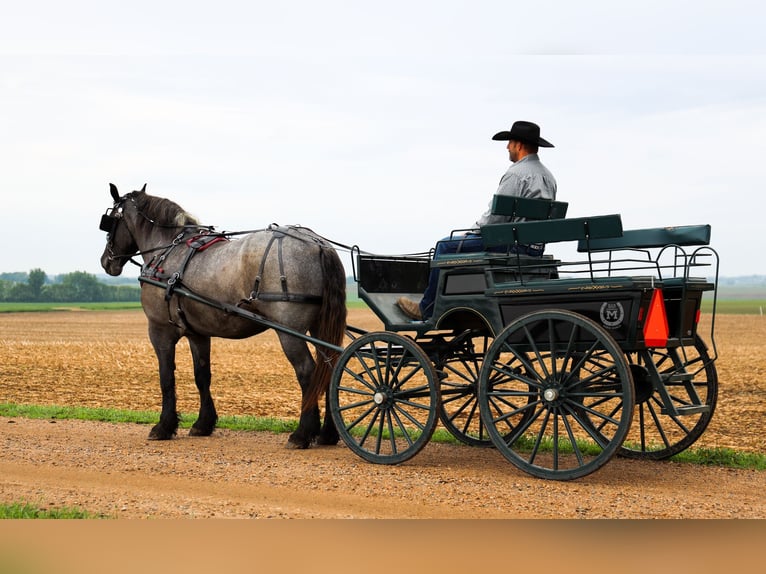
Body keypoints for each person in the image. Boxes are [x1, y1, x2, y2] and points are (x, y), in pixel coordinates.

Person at [396, 120, 557, 321]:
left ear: (519, 144)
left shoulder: (516, 174)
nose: (507, 147)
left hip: (510, 247)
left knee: (445, 246)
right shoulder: (548, 177)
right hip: (533, 249)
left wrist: (471, 232)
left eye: (509, 142)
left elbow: (494, 219)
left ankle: (427, 309)